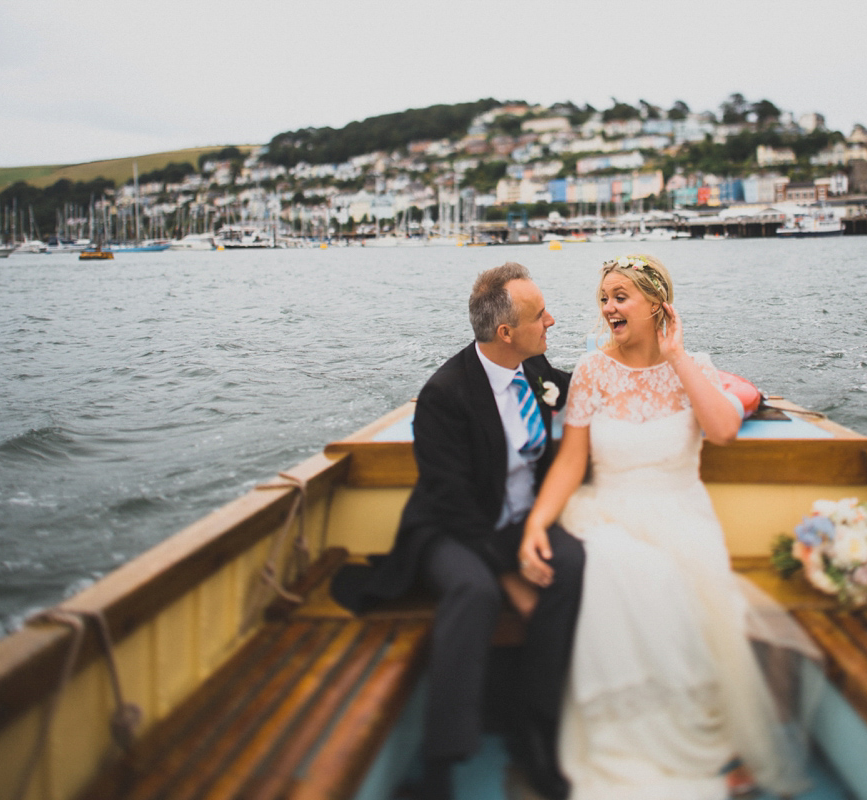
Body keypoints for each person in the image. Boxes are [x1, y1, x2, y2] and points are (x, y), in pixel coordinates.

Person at [518, 254, 816, 800]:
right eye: (604, 297)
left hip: (681, 510)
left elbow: (724, 429)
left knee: (681, 581)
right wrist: (538, 520)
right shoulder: (591, 372)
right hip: (606, 510)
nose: (608, 307)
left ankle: (703, 744)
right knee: (620, 567)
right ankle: (623, 741)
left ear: (657, 304)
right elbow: (568, 462)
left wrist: (678, 357)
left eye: (621, 296)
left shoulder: (691, 366)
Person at [330, 263, 583, 800]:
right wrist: (512, 576)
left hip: (520, 520)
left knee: (575, 563)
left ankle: (535, 730)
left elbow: (579, 389)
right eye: (542, 316)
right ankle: (441, 765)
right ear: (505, 333)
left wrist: (658, 373)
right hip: (451, 529)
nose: (552, 321)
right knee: (475, 589)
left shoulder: (534, 367)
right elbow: (453, 504)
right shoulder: (445, 395)